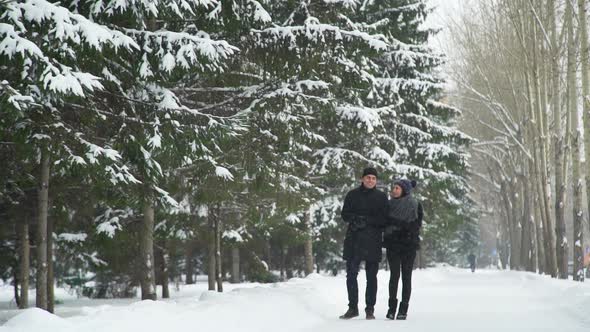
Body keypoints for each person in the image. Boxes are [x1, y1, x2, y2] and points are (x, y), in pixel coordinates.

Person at [339, 167, 388, 320]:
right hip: (354, 239)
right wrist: (355, 220)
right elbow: (344, 214)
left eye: (373, 178)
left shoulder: (381, 197)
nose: (370, 180)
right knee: (351, 275)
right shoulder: (352, 195)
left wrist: (366, 221)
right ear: (362, 179)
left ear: (376, 181)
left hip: (373, 240)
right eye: (368, 177)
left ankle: (370, 309)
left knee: (371, 277)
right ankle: (352, 308)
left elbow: (384, 219)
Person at [383, 179, 422, 320]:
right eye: (393, 187)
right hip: (393, 244)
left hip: (408, 244)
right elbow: (384, 222)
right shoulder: (388, 204)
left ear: (404, 190)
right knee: (394, 276)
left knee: (406, 277)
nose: (394, 190)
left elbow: (416, 225)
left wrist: (399, 225)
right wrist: (397, 226)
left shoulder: (415, 204)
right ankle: (391, 308)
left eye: (397, 188)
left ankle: (403, 309)